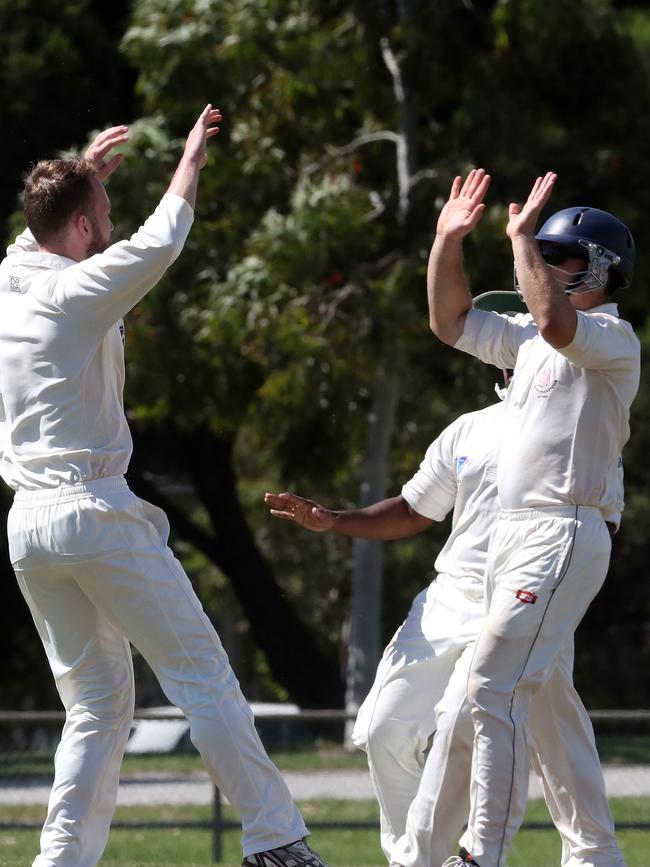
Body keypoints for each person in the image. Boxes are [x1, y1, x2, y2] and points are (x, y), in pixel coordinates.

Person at [0, 109, 327, 867]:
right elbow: (162, 238)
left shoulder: (13, 283)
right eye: (102, 216)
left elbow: (34, 232)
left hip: (29, 528)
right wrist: (189, 162)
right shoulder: (73, 293)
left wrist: (84, 174)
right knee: (202, 674)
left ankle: (60, 861)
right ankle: (277, 841)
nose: (110, 225)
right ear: (81, 228)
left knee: (96, 709)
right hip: (92, 508)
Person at [265, 294, 626, 867]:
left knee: (475, 716)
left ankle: (444, 858)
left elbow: (595, 517)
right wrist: (334, 520)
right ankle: (422, 852)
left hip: (530, 590)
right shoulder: (468, 429)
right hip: (451, 595)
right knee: (385, 727)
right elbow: (413, 510)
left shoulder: (581, 412)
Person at [425, 169, 640, 867]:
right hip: (511, 538)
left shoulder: (613, 339)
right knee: (545, 701)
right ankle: (596, 853)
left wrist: (520, 238)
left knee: (491, 687)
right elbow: (449, 320)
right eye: (541, 253)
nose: (544, 265)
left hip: (562, 532)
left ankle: (479, 854)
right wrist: (446, 242)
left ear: (601, 271)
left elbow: (555, 319)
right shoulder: (525, 341)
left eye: (560, 257)